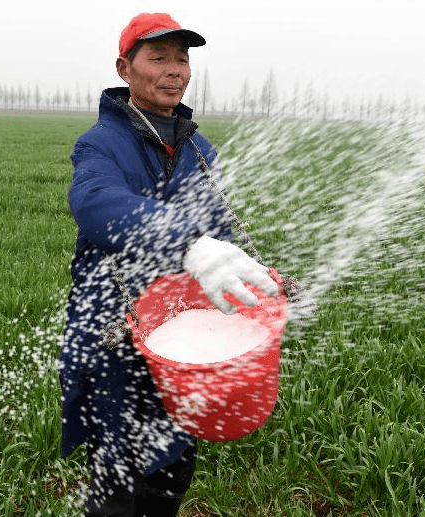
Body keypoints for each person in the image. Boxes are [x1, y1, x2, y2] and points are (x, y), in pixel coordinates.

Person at [59, 12, 289, 516]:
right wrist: (189, 244)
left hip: (181, 334)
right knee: (117, 475)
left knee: (172, 465)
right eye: (158, 57)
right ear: (125, 68)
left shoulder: (200, 150)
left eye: (182, 59)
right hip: (114, 329)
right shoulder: (102, 143)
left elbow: (219, 235)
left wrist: (250, 278)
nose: (174, 70)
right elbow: (96, 201)